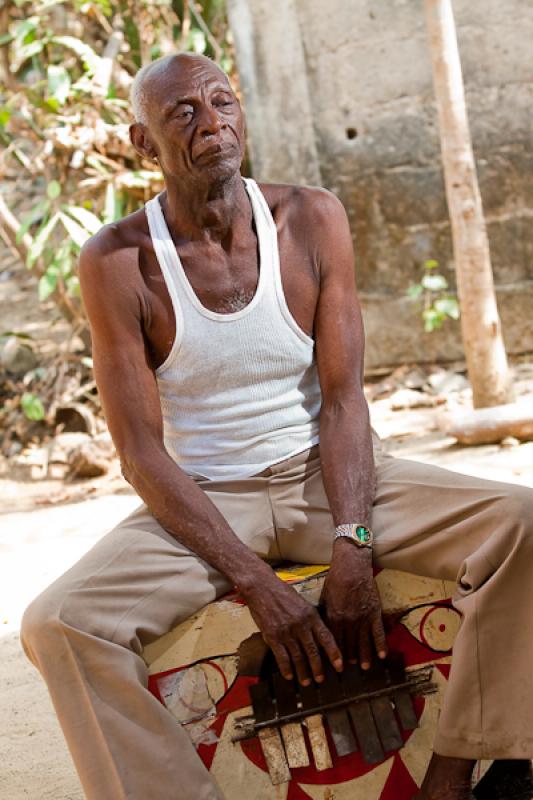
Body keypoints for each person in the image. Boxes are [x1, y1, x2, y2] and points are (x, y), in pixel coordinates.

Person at [20, 52, 533, 800]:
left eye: (221, 102)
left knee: (519, 520)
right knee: (58, 624)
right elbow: (137, 453)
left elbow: (344, 399)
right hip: (205, 500)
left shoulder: (310, 217)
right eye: (182, 114)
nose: (211, 123)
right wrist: (255, 582)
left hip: (329, 473)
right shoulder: (118, 260)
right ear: (142, 143)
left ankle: (456, 770)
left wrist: (353, 541)